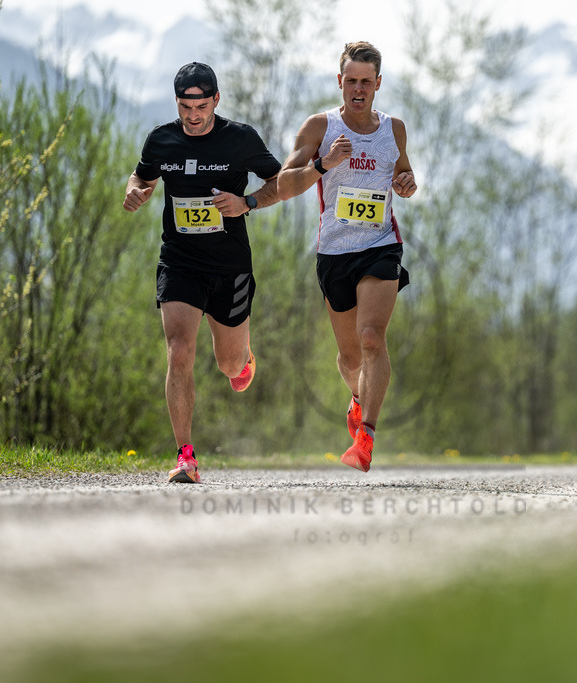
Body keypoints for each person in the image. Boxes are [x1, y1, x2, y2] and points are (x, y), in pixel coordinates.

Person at [123, 62, 281, 484]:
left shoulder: (240, 139)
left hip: (229, 265)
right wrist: (134, 192)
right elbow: (142, 173)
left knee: (229, 366)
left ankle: (243, 356)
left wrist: (246, 202)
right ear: (177, 103)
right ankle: (185, 457)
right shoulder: (162, 139)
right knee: (179, 350)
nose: (193, 114)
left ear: (216, 100)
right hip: (180, 260)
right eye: (185, 106)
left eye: (201, 105)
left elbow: (280, 180)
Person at [277, 41, 416, 472]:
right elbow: (283, 184)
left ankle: (366, 438)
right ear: (340, 82)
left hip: (380, 245)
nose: (358, 89)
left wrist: (407, 184)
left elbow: (402, 174)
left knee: (373, 337)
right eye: (350, 81)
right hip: (334, 251)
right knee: (351, 357)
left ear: (378, 84)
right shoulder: (319, 128)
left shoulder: (393, 129)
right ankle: (357, 399)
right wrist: (323, 164)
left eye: (366, 82)